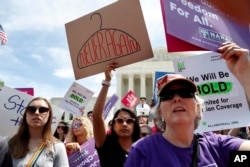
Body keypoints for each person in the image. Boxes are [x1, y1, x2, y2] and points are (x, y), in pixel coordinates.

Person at [124, 42, 250, 167]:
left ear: (197, 107)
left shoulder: (218, 147)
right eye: (168, 95)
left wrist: (245, 74)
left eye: (185, 93)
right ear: (160, 111)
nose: (177, 98)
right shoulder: (144, 151)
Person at [92, 60, 140, 167]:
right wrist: (107, 81)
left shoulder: (142, 149)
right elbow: (96, 117)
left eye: (129, 121)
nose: (124, 124)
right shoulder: (106, 145)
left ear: (134, 125)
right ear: (113, 126)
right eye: (119, 120)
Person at [8, 97, 69, 167]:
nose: (36, 113)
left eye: (43, 110)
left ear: (49, 116)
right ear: (26, 115)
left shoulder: (58, 146)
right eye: (31, 109)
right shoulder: (9, 142)